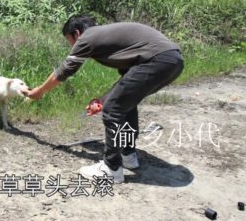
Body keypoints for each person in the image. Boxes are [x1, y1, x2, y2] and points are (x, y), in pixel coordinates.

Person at [27, 16, 184, 183]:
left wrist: (40, 91)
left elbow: (64, 70)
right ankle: (127, 155)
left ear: (76, 33)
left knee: (113, 110)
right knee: (124, 105)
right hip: (173, 61)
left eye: (69, 41)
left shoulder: (88, 36)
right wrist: (102, 100)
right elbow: (125, 82)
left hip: (158, 60)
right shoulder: (115, 40)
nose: (72, 46)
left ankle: (112, 167)